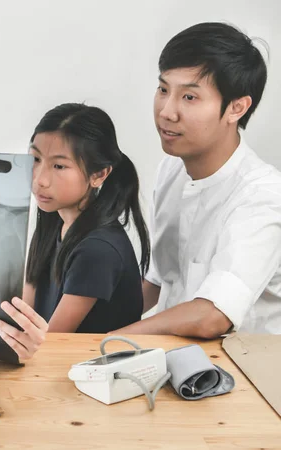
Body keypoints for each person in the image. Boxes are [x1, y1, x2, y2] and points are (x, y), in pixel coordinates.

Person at [115, 22, 281, 337]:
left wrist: (112, 340)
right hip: (167, 360)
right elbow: (158, 279)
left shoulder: (263, 195)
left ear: (237, 108)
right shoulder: (171, 170)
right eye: (163, 89)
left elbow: (213, 315)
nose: (166, 111)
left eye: (189, 98)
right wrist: (84, 334)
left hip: (242, 373)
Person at [0, 103, 150, 355]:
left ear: (99, 174)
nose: (40, 179)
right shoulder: (53, 220)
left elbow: (49, 345)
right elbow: (23, 312)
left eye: (59, 166)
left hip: (80, 377)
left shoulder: (98, 250)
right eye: (36, 159)